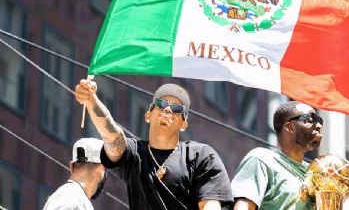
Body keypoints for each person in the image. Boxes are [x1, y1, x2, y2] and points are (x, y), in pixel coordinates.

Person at [75, 80, 233, 210]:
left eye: (177, 108)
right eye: (161, 103)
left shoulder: (201, 156)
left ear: (183, 124)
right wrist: (91, 100)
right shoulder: (135, 153)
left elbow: (211, 206)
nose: (168, 110)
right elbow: (113, 138)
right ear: (148, 115)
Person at [231, 101, 323, 210]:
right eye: (311, 120)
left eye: (319, 121)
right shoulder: (262, 159)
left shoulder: (316, 173)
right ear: (289, 127)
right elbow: (243, 206)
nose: (319, 126)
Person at [43, 138, 107, 210]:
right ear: (100, 168)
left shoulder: (71, 196)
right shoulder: (71, 199)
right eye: (106, 169)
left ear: (71, 166)